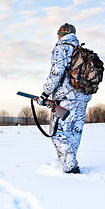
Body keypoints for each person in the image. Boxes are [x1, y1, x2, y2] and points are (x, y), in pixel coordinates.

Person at [37, 23, 92, 174]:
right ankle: (70, 162)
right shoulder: (81, 50)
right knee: (74, 133)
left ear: (60, 34)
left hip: (66, 98)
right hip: (83, 97)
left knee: (58, 134)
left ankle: (70, 167)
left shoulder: (61, 48)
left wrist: (45, 93)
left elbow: (56, 73)